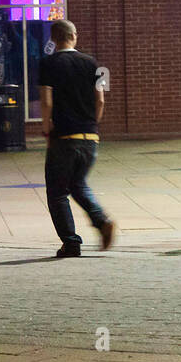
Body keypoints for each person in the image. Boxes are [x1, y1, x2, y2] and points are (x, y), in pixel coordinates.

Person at [38, 19, 116, 258]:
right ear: (74, 36)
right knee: (78, 184)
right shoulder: (93, 63)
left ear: (53, 38)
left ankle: (71, 243)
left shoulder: (48, 64)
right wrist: (94, 124)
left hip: (64, 136)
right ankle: (102, 221)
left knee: (57, 192)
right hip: (90, 135)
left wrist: (47, 128)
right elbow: (101, 99)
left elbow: (46, 101)